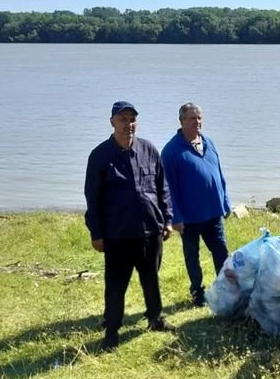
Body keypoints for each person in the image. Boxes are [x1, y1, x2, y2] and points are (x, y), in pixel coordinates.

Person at [84, 101, 175, 351]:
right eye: (122, 119)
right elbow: (93, 198)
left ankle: (155, 319)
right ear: (112, 122)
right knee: (115, 285)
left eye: (132, 119)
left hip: (150, 231)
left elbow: (162, 187)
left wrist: (166, 219)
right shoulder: (100, 155)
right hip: (117, 235)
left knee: (151, 279)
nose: (128, 124)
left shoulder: (149, 150)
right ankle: (112, 331)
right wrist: (97, 233)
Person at [161, 102, 231, 307]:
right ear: (181, 121)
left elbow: (219, 174)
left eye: (199, 118)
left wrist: (225, 202)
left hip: (213, 213)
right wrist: (175, 217)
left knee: (221, 252)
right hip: (189, 217)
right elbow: (167, 188)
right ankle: (198, 293)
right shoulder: (172, 150)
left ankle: (224, 288)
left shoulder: (208, 143)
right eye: (192, 118)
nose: (197, 122)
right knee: (193, 257)